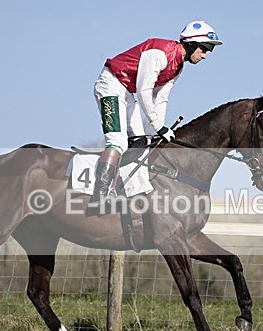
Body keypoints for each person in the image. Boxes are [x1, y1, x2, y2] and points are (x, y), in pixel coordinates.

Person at [89, 20, 223, 207]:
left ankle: (125, 192)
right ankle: (100, 195)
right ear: (192, 44)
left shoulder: (178, 67)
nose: (206, 55)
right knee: (118, 142)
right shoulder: (160, 54)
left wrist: (159, 128)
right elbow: (144, 91)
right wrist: (159, 126)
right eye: (205, 49)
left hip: (126, 92)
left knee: (140, 141)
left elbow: (160, 99)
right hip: (110, 84)